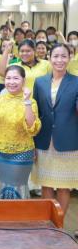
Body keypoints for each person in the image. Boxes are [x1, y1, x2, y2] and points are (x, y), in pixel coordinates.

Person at [0, 65, 41, 199]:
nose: (11, 82)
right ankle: (3, 211)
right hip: (0, 152)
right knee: (2, 185)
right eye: (8, 78)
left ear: (23, 80)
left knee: (18, 187)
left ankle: (19, 212)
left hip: (22, 153)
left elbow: (33, 128)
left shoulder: (31, 102)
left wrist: (26, 102)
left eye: (16, 78)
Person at [32, 44, 78, 215]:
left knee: (64, 187)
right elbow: (36, 112)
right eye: (56, 56)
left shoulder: (76, 82)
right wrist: (32, 141)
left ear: (70, 58)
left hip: (68, 140)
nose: (60, 60)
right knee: (46, 185)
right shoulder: (40, 82)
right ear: (49, 58)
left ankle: (59, 224)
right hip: (44, 139)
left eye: (64, 56)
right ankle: (48, 222)